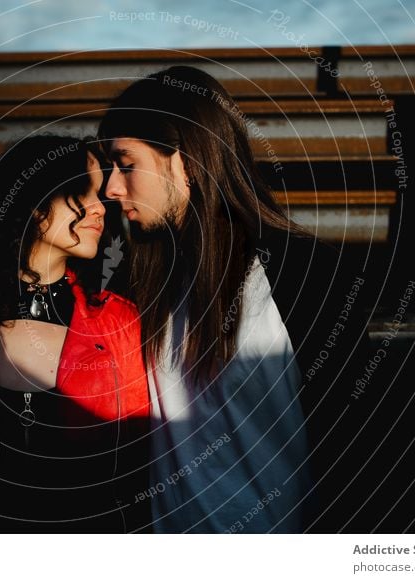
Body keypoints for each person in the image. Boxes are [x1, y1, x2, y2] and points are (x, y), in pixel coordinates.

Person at [98, 66, 371, 533]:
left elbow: (359, 443)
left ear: (184, 160)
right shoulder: (140, 277)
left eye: (126, 164)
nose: (111, 188)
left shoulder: (302, 272)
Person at [0, 135, 149, 532]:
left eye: (102, 196)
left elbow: (142, 458)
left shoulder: (122, 323)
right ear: (34, 202)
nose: (100, 208)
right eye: (83, 191)